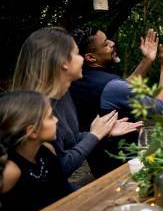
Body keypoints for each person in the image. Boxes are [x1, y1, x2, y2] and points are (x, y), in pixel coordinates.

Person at [11, 27, 140, 179]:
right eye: (77, 53)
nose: (83, 59)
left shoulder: (63, 95)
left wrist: (104, 132)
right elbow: (56, 170)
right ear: (63, 63)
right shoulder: (38, 110)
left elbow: (68, 141)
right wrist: (94, 136)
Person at [69, 26, 163, 176]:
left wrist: (147, 59)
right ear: (90, 57)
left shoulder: (80, 80)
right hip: (128, 166)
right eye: (105, 44)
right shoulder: (111, 87)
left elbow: (123, 88)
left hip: (101, 165)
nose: (112, 43)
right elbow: (159, 108)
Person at [0, 91, 73, 211]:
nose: (56, 120)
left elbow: (65, 193)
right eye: (50, 117)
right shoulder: (11, 171)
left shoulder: (47, 150)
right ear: (32, 131)